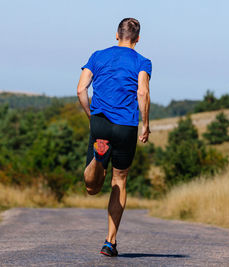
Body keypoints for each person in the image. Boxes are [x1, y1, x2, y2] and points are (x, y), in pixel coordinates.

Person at [76, 18, 151, 257]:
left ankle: (98, 160)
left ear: (116, 35)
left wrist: (91, 116)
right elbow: (143, 92)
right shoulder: (142, 62)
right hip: (125, 126)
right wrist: (146, 125)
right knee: (119, 180)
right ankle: (110, 241)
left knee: (91, 188)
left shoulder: (98, 56)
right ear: (138, 39)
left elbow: (81, 89)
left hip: (100, 124)